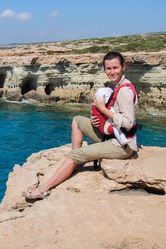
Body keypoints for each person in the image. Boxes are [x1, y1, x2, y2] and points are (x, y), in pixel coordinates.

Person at [23, 51, 138, 200]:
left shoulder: (124, 91)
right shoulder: (114, 86)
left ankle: (44, 188)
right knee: (77, 120)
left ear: (123, 67)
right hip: (112, 134)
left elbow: (128, 123)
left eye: (115, 68)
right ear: (104, 69)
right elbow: (113, 114)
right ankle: (75, 164)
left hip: (122, 145)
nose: (112, 72)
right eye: (108, 68)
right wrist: (97, 120)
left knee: (73, 155)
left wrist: (103, 110)